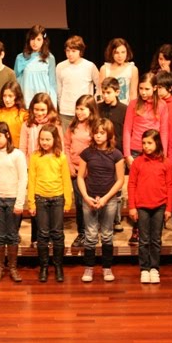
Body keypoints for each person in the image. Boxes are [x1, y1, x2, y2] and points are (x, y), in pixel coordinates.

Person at [123, 72, 170, 246]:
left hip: (155, 152)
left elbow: (164, 131)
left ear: (155, 88)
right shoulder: (133, 104)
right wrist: (127, 154)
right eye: (141, 88)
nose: (143, 92)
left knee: (154, 188)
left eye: (147, 89)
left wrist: (163, 154)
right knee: (137, 189)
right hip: (136, 151)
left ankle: (156, 228)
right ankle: (137, 228)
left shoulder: (162, 106)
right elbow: (127, 129)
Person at [77, 118, 125, 282]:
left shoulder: (116, 154)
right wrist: (86, 197)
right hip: (89, 197)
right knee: (90, 234)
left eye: (102, 133)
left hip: (109, 199)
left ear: (109, 134)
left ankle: (107, 268)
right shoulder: (87, 153)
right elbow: (80, 177)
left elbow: (120, 180)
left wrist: (105, 198)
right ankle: (89, 268)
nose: (98, 136)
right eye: (96, 133)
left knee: (107, 234)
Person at [18, 92, 63, 249]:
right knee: (36, 204)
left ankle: (51, 237)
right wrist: (26, 168)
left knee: (51, 205)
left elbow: (60, 147)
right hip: (33, 169)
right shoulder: (27, 125)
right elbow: (22, 148)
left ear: (49, 109)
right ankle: (36, 238)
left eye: (43, 110)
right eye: (36, 109)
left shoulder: (55, 124)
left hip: (51, 169)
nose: (39, 113)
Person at [128, 129, 172, 284]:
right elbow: (132, 184)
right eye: (144, 143)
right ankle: (144, 269)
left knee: (156, 239)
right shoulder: (138, 162)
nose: (146, 146)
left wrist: (169, 208)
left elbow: (170, 185)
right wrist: (132, 206)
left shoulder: (165, 162)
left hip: (159, 206)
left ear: (157, 143)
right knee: (144, 240)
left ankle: (154, 268)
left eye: (149, 143)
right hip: (142, 206)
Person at [0, 121, 27, 283]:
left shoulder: (17, 155)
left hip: (13, 199)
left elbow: (23, 179)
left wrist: (19, 203)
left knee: (13, 235)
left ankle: (13, 267)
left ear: (7, 135)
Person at [28, 123, 71, 283]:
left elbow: (66, 180)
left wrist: (67, 202)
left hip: (58, 198)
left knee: (57, 234)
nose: (44, 142)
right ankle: (44, 267)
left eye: (48, 139)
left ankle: (58, 267)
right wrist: (31, 203)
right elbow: (31, 180)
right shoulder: (35, 156)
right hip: (40, 198)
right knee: (43, 234)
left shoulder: (61, 157)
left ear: (55, 139)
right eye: (42, 139)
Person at [64, 94, 99, 248]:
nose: (79, 112)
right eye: (77, 109)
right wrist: (70, 166)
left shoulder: (96, 127)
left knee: (90, 202)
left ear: (91, 110)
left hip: (91, 171)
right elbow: (66, 146)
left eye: (82, 109)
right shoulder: (73, 126)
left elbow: (98, 149)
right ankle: (82, 233)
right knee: (79, 203)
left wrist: (90, 169)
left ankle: (92, 233)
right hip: (76, 170)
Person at [97, 77, 127, 232]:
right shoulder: (98, 108)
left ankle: (116, 219)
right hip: (100, 152)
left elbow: (126, 132)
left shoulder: (124, 109)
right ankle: (101, 218)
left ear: (117, 92)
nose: (105, 96)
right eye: (103, 92)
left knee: (117, 186)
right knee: (102, 184)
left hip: (117, 153)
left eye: (108, 92)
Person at [56, 35, 100, 134]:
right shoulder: (60, 66)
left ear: (80, 51)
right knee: (66, 139)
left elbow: (99, 87)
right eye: (68, 51)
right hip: (66, 111)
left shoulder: (89, 66)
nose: (70, 54)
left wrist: (93, 104)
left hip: (85, 112)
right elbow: (59, 90)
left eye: (73, 51)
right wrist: (61, 106)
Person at [14, 24, 58, 109]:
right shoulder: (20, 58)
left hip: (43, 103)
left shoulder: (50, 58)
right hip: (26, 102)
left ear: (44, 41)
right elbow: (16, 81)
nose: (35, 42)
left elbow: (52, 83)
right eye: (32, 39)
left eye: (38, 39)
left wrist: (53, 106)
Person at [0, 80, 27, 154]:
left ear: (17, 97)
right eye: (4, 96)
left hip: (18, 153)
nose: (7, 100)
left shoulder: (24, 115)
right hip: (0, 153)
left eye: (10, 96)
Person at [99, 38, 138, 104]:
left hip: (125, 106)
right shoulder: (104, 69)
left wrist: (132, 108)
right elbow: (100, 91)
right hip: (107, 106)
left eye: (123, 52)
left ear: (127, 52)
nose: (120, 56)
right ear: (111, 53)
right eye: (116, 53)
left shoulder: (132, 69)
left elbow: (133, 93)